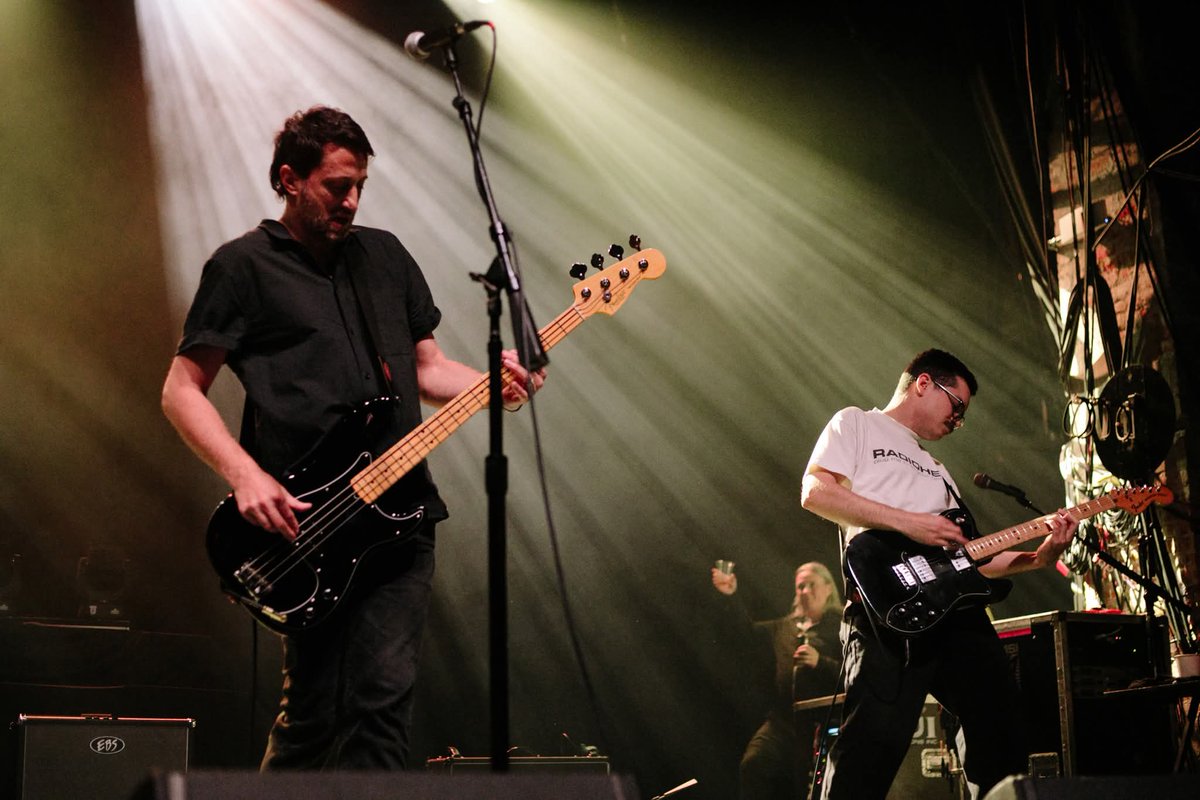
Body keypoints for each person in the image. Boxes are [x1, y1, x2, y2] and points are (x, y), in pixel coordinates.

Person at [160, 106, 545, 770]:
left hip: (400, 518)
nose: (352, 201)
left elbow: (427, 369)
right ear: (290, 179)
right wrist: (246, 475)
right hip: (309, 523)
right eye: (337, 186)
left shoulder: (384, 256)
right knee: (313, 718)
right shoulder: (242, 267)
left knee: (382, 709)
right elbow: (180, 389)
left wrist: (495, 381)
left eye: (360, 186)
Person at [799, 348, 1076, 800]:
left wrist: (1040, 557)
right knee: (870, 747)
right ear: (924, 383)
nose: (958, 420)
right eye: (957, 405)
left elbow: (970, 558)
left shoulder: (938, 469)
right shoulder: (856, 423)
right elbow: (815, 492)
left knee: (1002, 724)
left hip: (955, 615)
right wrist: (909, 523)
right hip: (887, 609)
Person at [711, 561, 843, 800]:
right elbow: (746, 632)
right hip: (785, 720)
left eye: (811, 585)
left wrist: (820, 662)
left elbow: (854, 674)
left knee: (809, 783)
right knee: (754, 763)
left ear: (828, 588)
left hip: (824, 722)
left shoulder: (841, 627)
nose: (805, 591)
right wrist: (730, 596)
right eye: (800, 587)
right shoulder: (785, 627)